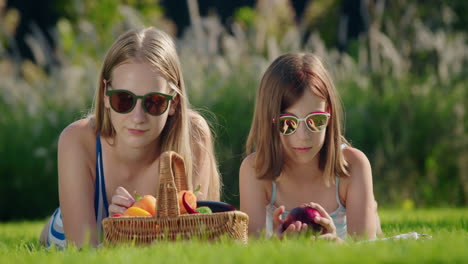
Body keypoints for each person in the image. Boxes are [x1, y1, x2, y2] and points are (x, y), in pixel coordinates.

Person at [39, 27, 221, 248]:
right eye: (124, 99)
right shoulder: (77, 139)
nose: (138, 117)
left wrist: (135, 224)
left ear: (173, 102)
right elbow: (82, 251)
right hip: (69, 233)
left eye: (154, 101)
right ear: (106, 94)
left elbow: (191, 241)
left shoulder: (193, 136)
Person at [239, 53, 382, 242]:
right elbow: (250, 254)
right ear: (271, 121)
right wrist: (274, 246)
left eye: (315, 121)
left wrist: (337, 245)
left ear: (328, 113)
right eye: (288, 123)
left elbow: (367, 251)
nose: (303, 136)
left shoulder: (353, 166)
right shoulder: (255, 170)